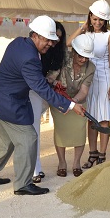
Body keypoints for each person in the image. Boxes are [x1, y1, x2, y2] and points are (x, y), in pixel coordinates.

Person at [0, 16, 86, 195]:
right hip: (6, 102)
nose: (50, 44)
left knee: (5, 144)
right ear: (35, 35)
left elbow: (34, 80)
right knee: (28, 138)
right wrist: (71, 105)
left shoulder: (19, 43)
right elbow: (40, 87)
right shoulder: (29, 57)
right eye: (47, 40)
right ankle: (22, 184)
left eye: (52, 41)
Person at [68, 0, 110, 168]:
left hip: (104, 79)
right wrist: (83, 27)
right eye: (94, 19)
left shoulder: (109, 35)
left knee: (103, 119)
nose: (97, 23)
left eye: (101, 20)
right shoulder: (85, 34)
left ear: (106, 21)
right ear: (90, 17)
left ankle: (103, 154)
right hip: (87, 79)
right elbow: (69, 43)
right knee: (90, 119)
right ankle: (93, 153)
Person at [46, 34, 95, 177]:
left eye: (86, 57)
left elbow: (84, 90)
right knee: (61, 131)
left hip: (78, 101)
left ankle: (76, 163)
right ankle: (62, 162)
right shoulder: (62, 59)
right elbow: (49, 79)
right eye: (80, 56)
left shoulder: (91, 67)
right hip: (59, 100)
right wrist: (57, 87)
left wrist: (73, 102)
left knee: (79, 132)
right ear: (73, 51)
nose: (83, 60)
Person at [31, 21, 67, 183]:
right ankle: (33, 169)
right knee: (31, 131)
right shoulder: (34, 50)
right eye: (52, 38)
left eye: (58, 38)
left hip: (42, 92)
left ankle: (35, 168)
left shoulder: (59, 53)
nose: (54, 42)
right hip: (30, 91)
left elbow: (51, 77)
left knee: (35, 130)